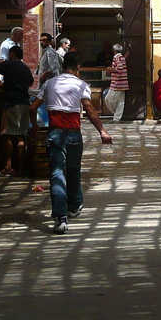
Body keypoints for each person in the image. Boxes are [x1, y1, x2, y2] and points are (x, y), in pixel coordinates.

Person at [31, 53, 112, 234]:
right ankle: (74, 205)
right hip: (74, 134)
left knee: (57, 174)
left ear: (62, 65)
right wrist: (102, 131)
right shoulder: (80, 84)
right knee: (74, 170)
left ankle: (60, 218)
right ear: (78, 67)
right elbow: (89, 108)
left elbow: (33, 107)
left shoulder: (50, 83)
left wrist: (35, 128)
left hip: (54, 133)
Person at [0, 45, 33, 177]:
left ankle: (8, 166)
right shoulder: (25, 68)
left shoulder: (9, 64)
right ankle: (21, 168)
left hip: (12, 102)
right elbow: (30, 83)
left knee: (8, 134)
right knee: (21, 135)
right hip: (24, 103)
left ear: (12, 54)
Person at [103, 44, 128, 123]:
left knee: (108, 99)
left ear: (114, 51)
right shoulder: (122, 57)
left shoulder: (116, 57)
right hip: (123, 83)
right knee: (121, 102)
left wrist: (111, 70)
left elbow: (119, 68)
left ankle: (115, 114)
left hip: (117, 83)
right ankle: (117, 118)